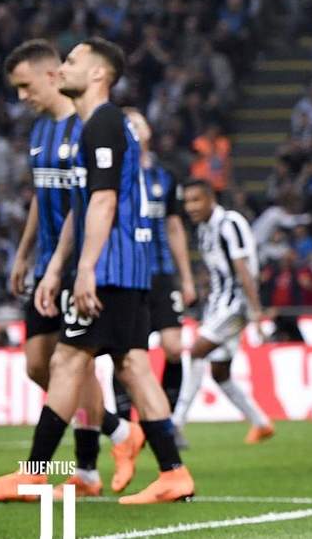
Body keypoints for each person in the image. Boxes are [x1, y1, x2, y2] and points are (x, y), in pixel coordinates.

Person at [0, 38, 193, 504]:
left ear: (98, 73)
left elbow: (103, 201)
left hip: (110, 267)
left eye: (73, 61)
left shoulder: (102, 123)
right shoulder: (93, 124)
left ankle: (35, 474)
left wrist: (84, 269)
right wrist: (57, 267)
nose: (64, 67)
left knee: (66, 362)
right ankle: (172, 471)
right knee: (133, 367)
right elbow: (80, 208)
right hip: (121, 267)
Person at [0, 39, 144, 498]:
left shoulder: (88, 125)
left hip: (81, 262)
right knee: (39, 365)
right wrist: (25, 253)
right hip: (49, 262)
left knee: (71, 362)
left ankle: (82, 470)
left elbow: (91, 202)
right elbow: (43, 198)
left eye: (26, 86)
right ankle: (119, 431)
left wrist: (74, 266)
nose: (22, 96)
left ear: (50, 76)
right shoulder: (41, 130)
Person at [112, 109, 197, 451]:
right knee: (125, 353)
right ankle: (124, 427)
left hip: (161, 274)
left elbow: (174, 227)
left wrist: (186, 278)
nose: (134, 127)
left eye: (139, 122)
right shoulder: (113, 174)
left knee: (174, 348)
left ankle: (168, 423)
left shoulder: (165, 176)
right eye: (127, 123)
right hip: (128, 274)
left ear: (148, 130)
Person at [172, 179, 274, 444]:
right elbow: (216, 271)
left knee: (196, 351)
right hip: (218, 305)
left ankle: (175, 424)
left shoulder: (230, 223)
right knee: (220, 372)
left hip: (236, 304)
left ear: (211, 199)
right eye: (187, 202)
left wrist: (256, 312)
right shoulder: (204, 229)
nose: (191, 207)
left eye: (196, 200)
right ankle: (261, 423)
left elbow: (243, 268)